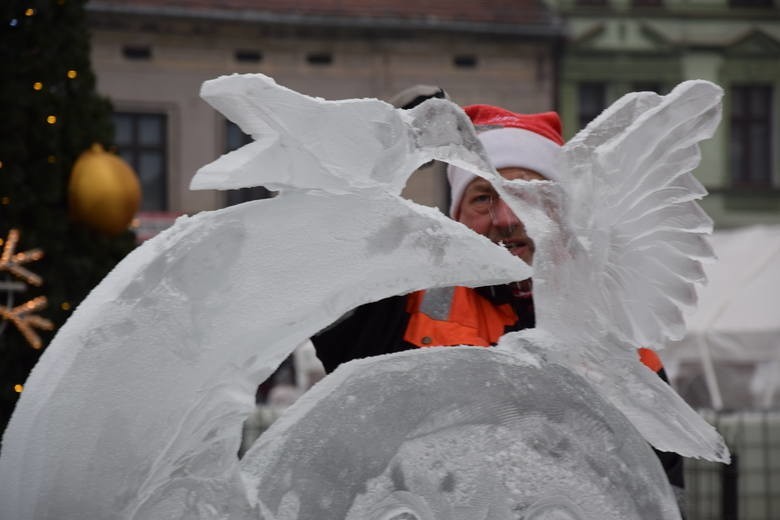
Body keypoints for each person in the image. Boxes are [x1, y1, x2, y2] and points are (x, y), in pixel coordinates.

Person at [310, 100, 686, 511]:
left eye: (528, 196)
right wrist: (379, 153)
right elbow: (316, 262)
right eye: (483, 197)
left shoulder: (611, 333)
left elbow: (660, 487)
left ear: (561, 214)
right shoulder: (399, 300)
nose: (506, 218)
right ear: (457, 216)